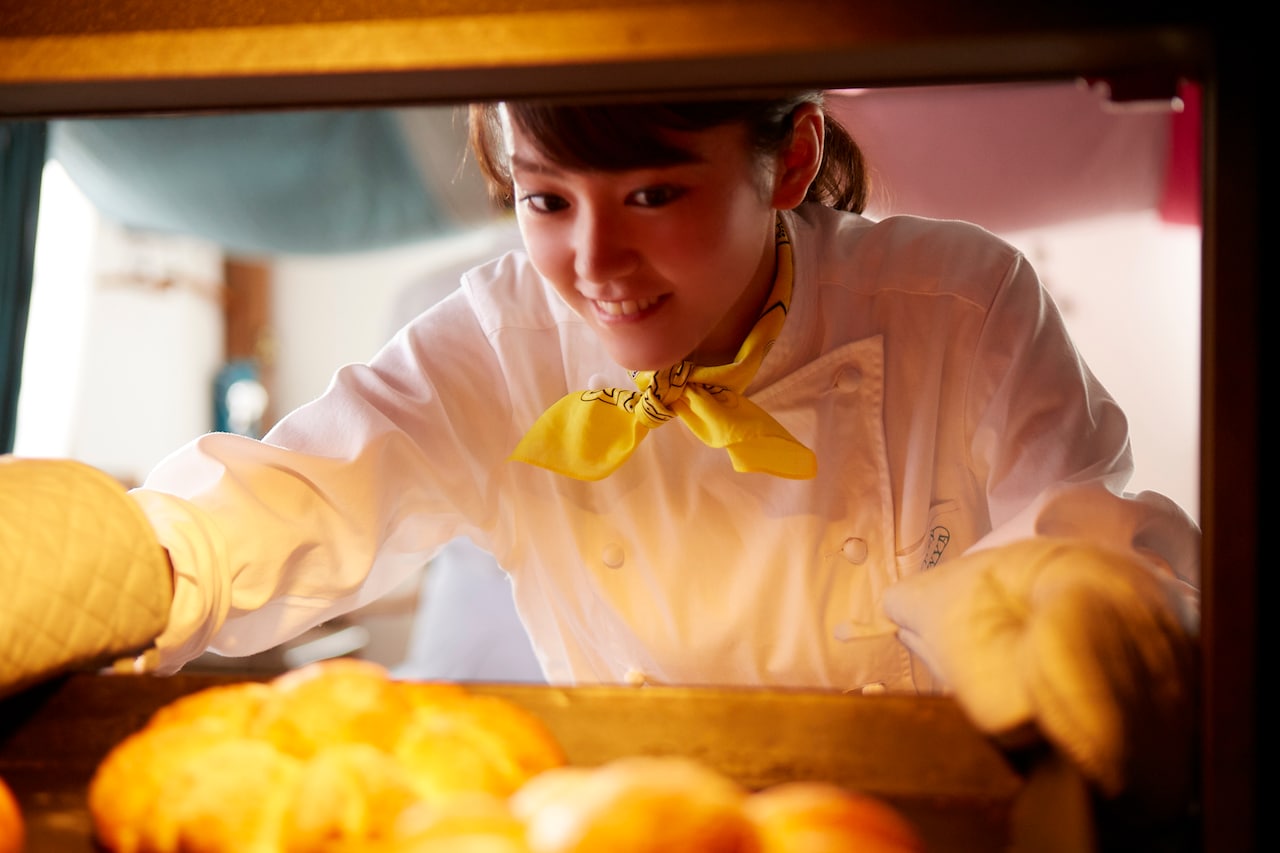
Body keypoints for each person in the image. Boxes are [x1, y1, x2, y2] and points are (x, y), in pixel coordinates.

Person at [2, 91, 1199, 819]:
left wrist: (1094, 616)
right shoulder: (499, 338)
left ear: (785, 163)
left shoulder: (960, 302)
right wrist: (112, 554)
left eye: (650, 194)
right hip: (623, 822)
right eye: (545, 202)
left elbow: (1079, 540)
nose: (591, 262)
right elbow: (300, 492)